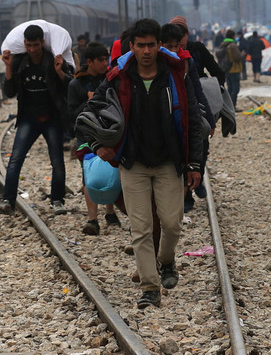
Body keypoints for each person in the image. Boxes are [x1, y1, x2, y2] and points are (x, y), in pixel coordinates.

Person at [84, 18, 203, 309]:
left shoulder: (175, 77)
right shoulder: (119, 77)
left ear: (159, 45)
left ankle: (166, 260)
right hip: (133, 163)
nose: (147, 50)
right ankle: (150, 288)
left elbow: (193, 120)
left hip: (168, 162)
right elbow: (89, 112)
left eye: (152, 44)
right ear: (132, 48)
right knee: (141, 228)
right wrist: (99, 146)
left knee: (172, 224)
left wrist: (195, 164)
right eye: (141, 45)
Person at [0, 25, 74, 216]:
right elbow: (9, 92)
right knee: (15, 160)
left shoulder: (53, 61)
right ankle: (8, 201)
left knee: (57, 162)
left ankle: (57, 200)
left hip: (52, 118)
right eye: (28, 45)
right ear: (24, 44)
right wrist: (9, 67)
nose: (32, 49)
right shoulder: (20, 62)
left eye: (36, 45)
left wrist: (60, 71)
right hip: (28, 118)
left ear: (42, 43)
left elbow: (69, 87)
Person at [68, 42, 120, 235]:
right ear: (89, 61)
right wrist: (87, 103)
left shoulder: (110, 79)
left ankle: (110, 211)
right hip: (86, 136)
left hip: (110, 132)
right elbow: (72, 115)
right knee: (88, 176)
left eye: (106, 59)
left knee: (112, 171)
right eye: (100, 60)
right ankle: (92, 219)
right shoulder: (76, 84)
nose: (105, 63)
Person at [161, 23, 213, 213]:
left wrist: (209, 119)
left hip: (181, 122)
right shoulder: (152, 66)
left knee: (188, 156)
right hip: (161, 129)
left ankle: (186, 198)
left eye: (177, 46)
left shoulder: (186, 62)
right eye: (169, 46)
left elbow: (196, 93)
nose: (174, 51)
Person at [169, 16, 225, 86]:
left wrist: (218, 86)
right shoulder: (165, 53)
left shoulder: (198, 49)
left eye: (183, 36)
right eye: (176, 37)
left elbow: (216, 71)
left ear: (187, 34)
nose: (180, 40)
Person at [218, 30, 243, 109]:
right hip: (234, 69)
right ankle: (233, 106)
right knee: (235, 89)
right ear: (233, 36)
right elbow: (237, 58)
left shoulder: (222, 45)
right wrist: (241, 55)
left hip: (226, 69)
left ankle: (229, 106)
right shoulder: (233, 45)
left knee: (230, 88)